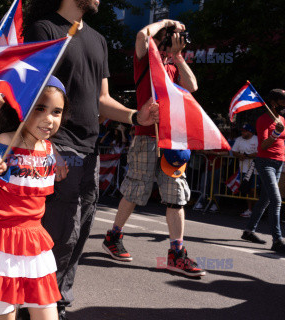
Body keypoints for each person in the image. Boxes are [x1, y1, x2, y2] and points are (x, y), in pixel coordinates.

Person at [24, 1, 158, 318]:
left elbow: (102, 100)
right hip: (59, 144)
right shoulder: (43, 30)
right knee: (62, 230)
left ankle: (57, 299)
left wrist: (137, 116)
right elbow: (31, 91)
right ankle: (43, 303)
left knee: (81, 230)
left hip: (90, 147)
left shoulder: (97, 39)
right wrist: (46, 146)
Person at [102, 19, 206, 277]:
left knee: (176, 196)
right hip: (147, 137)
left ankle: (176, 253)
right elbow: (140, 35)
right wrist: (167, 22)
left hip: (172, 140)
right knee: (136, 189)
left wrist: (178, 56)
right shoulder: (148, 60)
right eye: (178, 35)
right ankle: (113, 236)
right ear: (165, 35)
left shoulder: (174, 64)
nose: (183, 39)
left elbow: (192, 87)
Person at [0, 76, 68, 320]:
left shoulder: (50, 149)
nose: (49, 119)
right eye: (40, 108)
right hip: (0, 243)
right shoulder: (3, 143)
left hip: (35, 243)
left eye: (57, 112)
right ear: (23, 107)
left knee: (47, 314)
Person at [241, 89, 285, 254]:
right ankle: (277, 240)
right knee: (276, 200)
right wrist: (276, 133)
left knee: (265, 201)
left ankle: (249, 231)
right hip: (265, 162)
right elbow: (263, 146)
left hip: (279, 163)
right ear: (273, 103)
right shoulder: (263, 120)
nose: (284, 106)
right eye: (282, 102)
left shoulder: (282, 119)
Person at [231, 123, 258, 217]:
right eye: (242, 131)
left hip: (255, 170)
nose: (242, 133)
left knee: (254, 190)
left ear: (250, 132)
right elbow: (234, 151)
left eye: (244, 131)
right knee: (247, 190)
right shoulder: (239, 139)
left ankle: (257, 210)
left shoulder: (257, 139)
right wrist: (239, 155)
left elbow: (259, 153)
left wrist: (247, 156)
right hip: (243, 169)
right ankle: (250, 210)